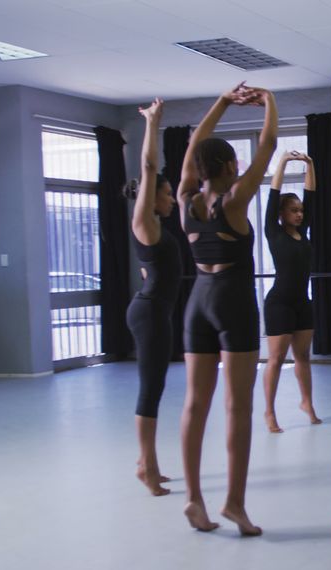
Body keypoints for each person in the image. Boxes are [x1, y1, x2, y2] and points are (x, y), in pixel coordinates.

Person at [177, 82, 277, 535]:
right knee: (238, 408)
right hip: (232, 302)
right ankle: (234, 503)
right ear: (231, 165)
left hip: (197, 301)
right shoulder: (234, 201)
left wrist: (220, 102)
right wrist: (269, 102)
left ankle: (195, 500)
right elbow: (270, 144)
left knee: (195, 404)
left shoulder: (186, 201)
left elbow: (196, 145)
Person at [125, 97, 181, 497]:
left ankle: (152, 463)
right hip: (148, 313)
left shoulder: (155, 229)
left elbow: (152, 270)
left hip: (154, 310)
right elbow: (148, 167)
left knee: (157, 386)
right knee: (150, 388)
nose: (172, 198)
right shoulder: (144, 222)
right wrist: (153, 123)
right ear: (151, 195)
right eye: (167, 193)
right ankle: (145, 465)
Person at [261, 150, 322, 433]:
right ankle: (270, 412)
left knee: (303, 357)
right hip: (279, 303)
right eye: (293, 211)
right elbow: (273, 194)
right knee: (275, 359)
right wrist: (283, 163)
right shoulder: (273, 232)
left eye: (300, 211)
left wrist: (310, 163)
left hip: (302, 302)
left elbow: (312, 196)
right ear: (282, 214)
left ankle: (307, 402)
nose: (299, 214)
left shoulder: (304, 230)